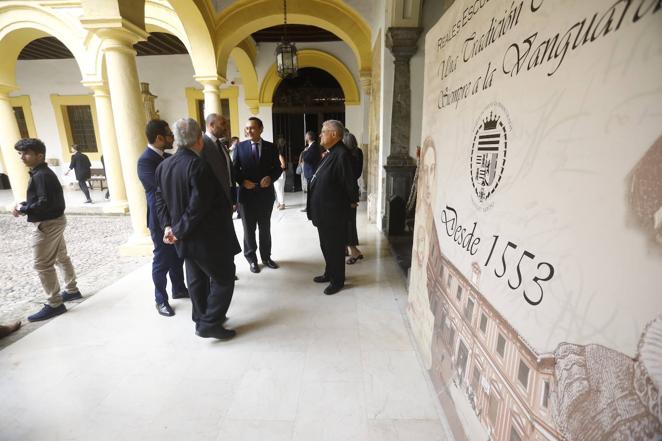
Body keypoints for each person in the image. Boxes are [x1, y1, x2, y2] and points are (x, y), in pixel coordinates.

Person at [154, 118, 240, 340]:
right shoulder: (198, 165)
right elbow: (198, 207)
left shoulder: (164, 165)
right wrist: (177, 230)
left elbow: (159, 200)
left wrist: (168, 227)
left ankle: (200, 319)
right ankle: (209, 323)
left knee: (196, 279)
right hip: (205, 237)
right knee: (224, 278)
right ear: (199, 139)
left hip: (185, 238)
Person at [12, 138, 83, 322]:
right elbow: (44, 199)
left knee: (42, 264)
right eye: (20, 153)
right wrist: (25, 204)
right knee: (61, 257)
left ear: (39, 155)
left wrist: (23, 208)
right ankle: (72, 290)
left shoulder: (41, 175)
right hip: (56, 221)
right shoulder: (41, 173)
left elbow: (44, 203)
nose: (22, 157)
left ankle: (54, 303)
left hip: (48, 224)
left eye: (26, 153)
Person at [137, 120, 189, 317]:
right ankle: (161, 299)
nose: (172, 138)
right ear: (159, 138)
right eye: (169, 134)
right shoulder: (145, 161)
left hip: (174, 217)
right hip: (160, 220)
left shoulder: (167, 157)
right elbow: (158, 189)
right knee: (161, 260)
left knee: (177, 255)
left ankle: (179, 288)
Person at [306, 120, 359, 295]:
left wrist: (350, 204)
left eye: (323, 132)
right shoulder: (330, 153)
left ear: (334, 135)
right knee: (326, 245)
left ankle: (338, 280)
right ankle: (329, 273)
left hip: (334, 212)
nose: (320, 135)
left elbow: (350, 184)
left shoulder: (342, 154)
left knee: (335, 248)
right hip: (324, 212)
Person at [232, 117, 282, 273]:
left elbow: (278, 168)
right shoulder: (239, 148)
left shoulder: (271, 147)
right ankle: (252, 259)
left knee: (265, 228)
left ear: (261, 129)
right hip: (246, 196)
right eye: (247, 128)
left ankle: (266, 257)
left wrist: (271, 177)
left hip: (265, 195)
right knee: (249, 229)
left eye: (252, 128)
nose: (249, 131)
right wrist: (242, 181)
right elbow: (234, 170)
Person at [343, 129, 364, 264]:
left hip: (349, 192)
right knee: (347, 221)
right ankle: (347, 248)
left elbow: (351, 174)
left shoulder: (352, 155)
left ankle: (355, 251)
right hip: (351, 190)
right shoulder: (357, 152)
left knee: (349, 223)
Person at [300, 131, 321, 211]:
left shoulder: (313, 146)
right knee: (310, 192)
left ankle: (310, 208)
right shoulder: (311, 147)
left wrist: (305, 152)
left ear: (308, 137)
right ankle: (309, 207)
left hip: (311, 173)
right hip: (310, 173)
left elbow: (306, 158)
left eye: (306, 136)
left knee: (311, 192)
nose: (305, 138)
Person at [274, 137, 286, 210]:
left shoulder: (280, 155)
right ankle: (279, 202)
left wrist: (276, 168)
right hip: (277, 174)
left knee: (280, 189)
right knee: (277, 189)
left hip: (280, 174)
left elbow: (283, 165)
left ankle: (282, 203)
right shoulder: (278, 155)